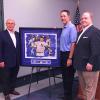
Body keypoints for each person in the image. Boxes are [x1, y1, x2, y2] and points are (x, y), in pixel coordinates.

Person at [73, 12, 100, 100]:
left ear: (91, 18)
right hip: (80, 66)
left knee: (90, 89)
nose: (83, 20)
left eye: (85, 18)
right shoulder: (81, 32)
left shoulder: (95, 31)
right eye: (82, 18)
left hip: (89, 67)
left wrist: (91, 63)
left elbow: (96, 50)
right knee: (84, 89)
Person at [0, 19, 20, 100]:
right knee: (6, 77)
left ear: (14, 24)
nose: (10, 25)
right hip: (6, 61)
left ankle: (12, 90)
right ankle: (6, 93)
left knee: (13, 76)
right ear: (6, 24)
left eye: (12, 23)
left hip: (16, 60)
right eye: (9, 23)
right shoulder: (1, 34)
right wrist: (0, 60)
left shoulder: (18, 34)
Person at [60, 10, 77, 100]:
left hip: (68, 55)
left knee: (68, 77)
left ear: (69, 17)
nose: (62, 18)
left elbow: (73, 44)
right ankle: (66, 95)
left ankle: (69, 97)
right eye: (61, 16)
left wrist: (70, 58)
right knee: (64, 76)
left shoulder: (71, 27)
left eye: (64, 16)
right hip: (63, 55)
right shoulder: (64, 27)